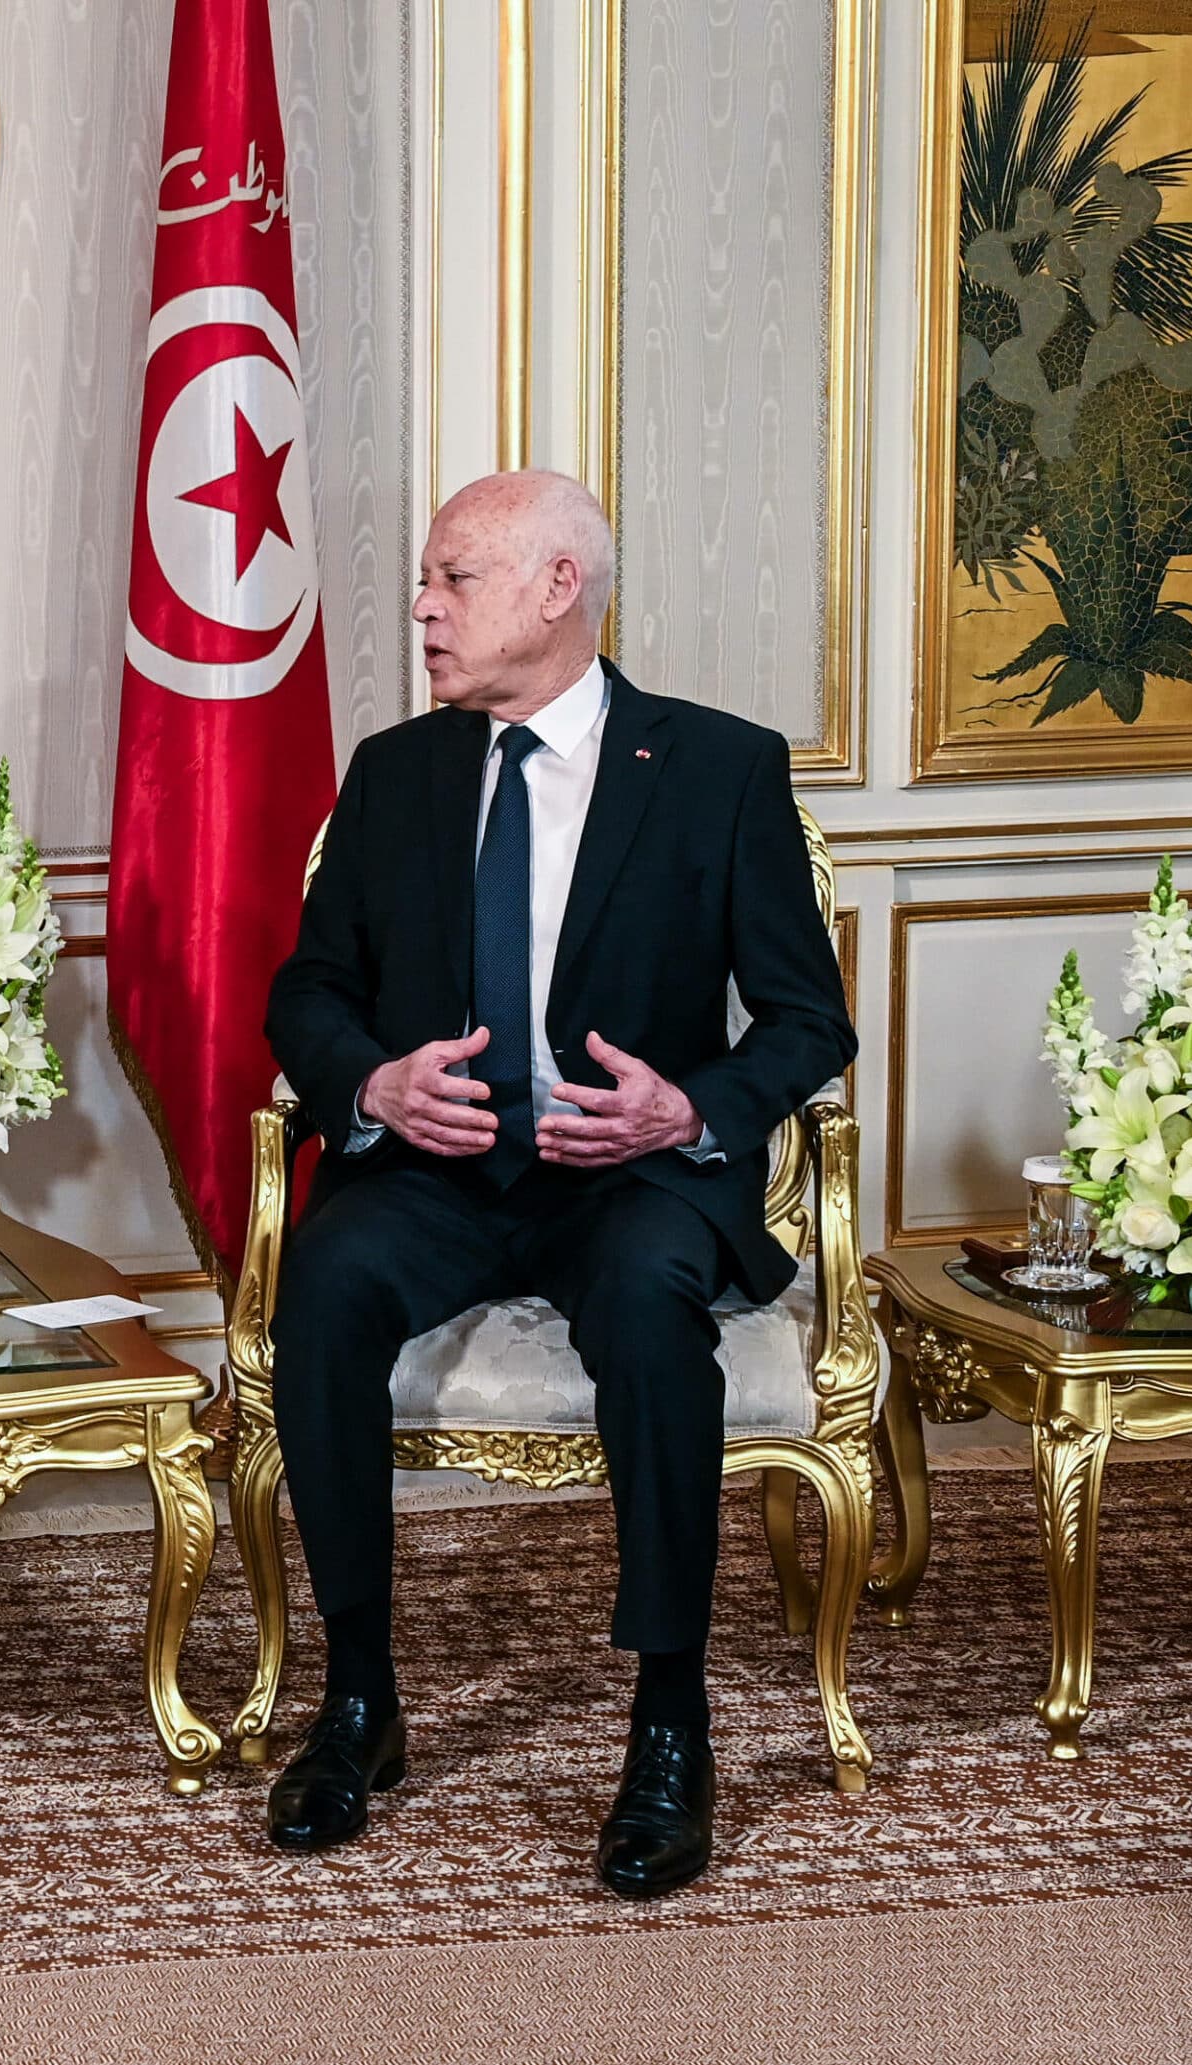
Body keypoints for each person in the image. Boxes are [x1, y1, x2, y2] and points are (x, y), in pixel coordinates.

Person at [259, 471, 856, 1897]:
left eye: (452, 578)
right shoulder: (395, 773)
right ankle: (359, 1698)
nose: (422, 606)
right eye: (429, 579)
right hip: (446, 1171)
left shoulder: (718, 769)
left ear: (556, 589)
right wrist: (372, 1085)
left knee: (655, 1312)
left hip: (626, 1178)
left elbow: (805, 1019)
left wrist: (687, 1107)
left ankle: (668, 1721)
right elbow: (308, 992)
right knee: (325, 1283)